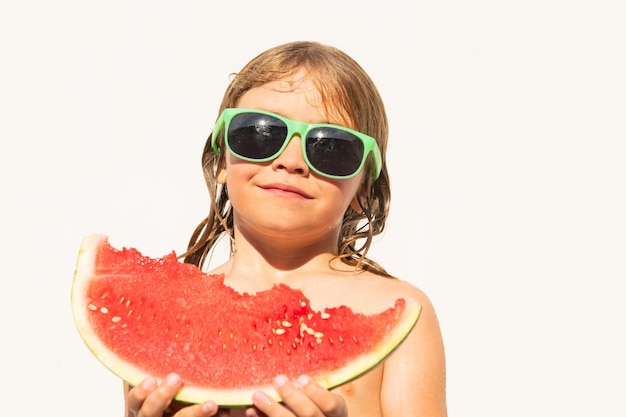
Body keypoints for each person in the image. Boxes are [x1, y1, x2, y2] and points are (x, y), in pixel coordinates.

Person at [124, 40, 447, 417]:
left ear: (363, 189)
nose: (291, 161)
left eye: (330, 146)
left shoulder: (403, 312)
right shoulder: (163, 319)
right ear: (222, 160)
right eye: (261, 133)